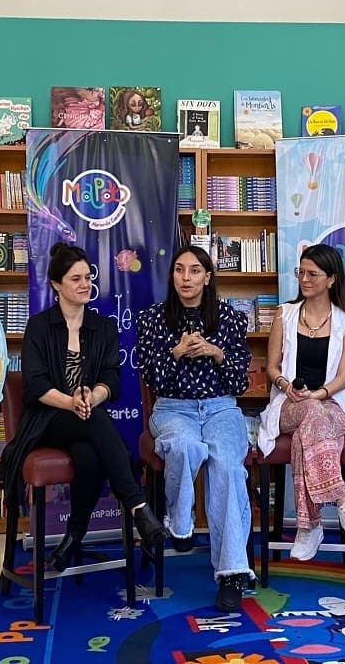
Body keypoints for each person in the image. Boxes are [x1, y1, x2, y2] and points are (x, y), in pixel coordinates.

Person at [1, 242, 165, 571]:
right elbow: (34, 385)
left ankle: (73, 537)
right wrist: (72, 402)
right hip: (48, 419)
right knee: (97, 424)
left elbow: (111, 379)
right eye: (75, 279)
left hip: (87, 416)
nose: (84, 284)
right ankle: (137, 506)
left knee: (90, 456)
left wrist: (93, 397)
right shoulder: (38, 326)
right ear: (56, 285)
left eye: (87, 277)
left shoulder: (102, 327)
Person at [136, 245, 255, 612]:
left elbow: (240, 382)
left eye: (194, 271)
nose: (186, 278)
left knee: (227, 468)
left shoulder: (231, 319)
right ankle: (180, 520)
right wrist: (174, 352)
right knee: (185, 447)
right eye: (179, 270)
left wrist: (215, 352)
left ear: (207, 276)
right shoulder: (153, 319)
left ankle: (231, 573)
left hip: (221, 408)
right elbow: (150, 377)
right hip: (173, 408)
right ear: (172, 276)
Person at [258, 244, 345, 562]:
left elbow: (343, 377)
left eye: (312, 274)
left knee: (311, 425)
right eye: (301, 272)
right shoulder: (285, 313)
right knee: (309, 412)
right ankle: (343, 501)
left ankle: (309, 527)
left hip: (332, 403)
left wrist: (318, 394)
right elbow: (272, 367)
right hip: (289, 404)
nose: (304, 279)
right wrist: (285, 385)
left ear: (332, 279)